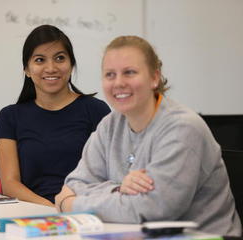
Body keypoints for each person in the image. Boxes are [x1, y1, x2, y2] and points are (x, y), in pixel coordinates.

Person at [55, 35, 242, 236]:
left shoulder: (183, 128)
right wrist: (117, 189)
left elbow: (154, 209)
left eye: (129, 72)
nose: (118, 83)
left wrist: (72, 205)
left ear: (154, 77)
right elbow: (75, 183)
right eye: (110, 74)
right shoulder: (110, 125)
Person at [0, 25, 110, 207]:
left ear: (71, 65)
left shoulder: (96, 110)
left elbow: (110, 175)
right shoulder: (9, 117)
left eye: (60, 58)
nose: (51, 68)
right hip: (29, 215)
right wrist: (55, 209)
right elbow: (10, 185)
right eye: (40, 60)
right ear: (27, 69)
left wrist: (69, 207)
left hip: (84, 212)